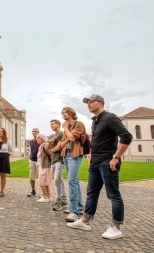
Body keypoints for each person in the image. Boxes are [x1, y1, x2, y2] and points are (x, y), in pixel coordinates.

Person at [67, 94, 132, 240]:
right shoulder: (95, 121)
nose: (88, 104)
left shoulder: (110, 117)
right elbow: (96, 142)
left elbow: (126, 137)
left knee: (113, 194)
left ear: (100, 103)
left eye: (91, 102)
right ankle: (85, 221)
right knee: (91, 193)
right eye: (87, 102)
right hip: (95, 162)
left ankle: (116, 227)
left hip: (108, 162)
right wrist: (91, 157)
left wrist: (116, 157)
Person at [51, 107, 86, 222]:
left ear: (71, 113)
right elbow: (64, 142)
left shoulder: (78, 124)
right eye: (62, 113)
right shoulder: (69, 128)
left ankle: (74, 212)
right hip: (66, 155)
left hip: (74, 155)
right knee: (74, 181)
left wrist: (65, 128)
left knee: (71, 181)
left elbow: (71, 137)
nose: (63, 114)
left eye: (65, 112)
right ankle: (79, 207)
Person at [47, 119, 67, 211]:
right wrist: (50, 142)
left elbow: (59, 147)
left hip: (59, 159)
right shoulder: (52, 136)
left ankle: (58, 201)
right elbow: (47, 148)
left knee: (57, 180)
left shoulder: (62, 134)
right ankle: (64, 200)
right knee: (60, 180)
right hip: (53, 160)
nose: (51, 126)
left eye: (53, 124)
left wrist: (52, 149)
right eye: (50, 125)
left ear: (58, 124)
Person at [36, 133, 52, 202]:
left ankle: (45, 197)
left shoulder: (44, 145)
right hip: (42, 166)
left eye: (38, 138)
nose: (36, 139)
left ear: (42, 139)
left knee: (41, 181)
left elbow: (51, 153)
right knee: (45, 182)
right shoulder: (41, 146)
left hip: (44, 166)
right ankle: (48, 196)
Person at [27, 128, 40, 197]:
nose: (33, 132)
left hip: (39, 161)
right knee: (31, 176)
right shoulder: (31, 141)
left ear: (38, 132)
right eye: (32, 131)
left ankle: (44, 193)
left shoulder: (40, 140)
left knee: (41, 177)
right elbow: (31, 149)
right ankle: (33, 190)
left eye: (35, 131)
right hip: (32, 160)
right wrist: (30, 155)